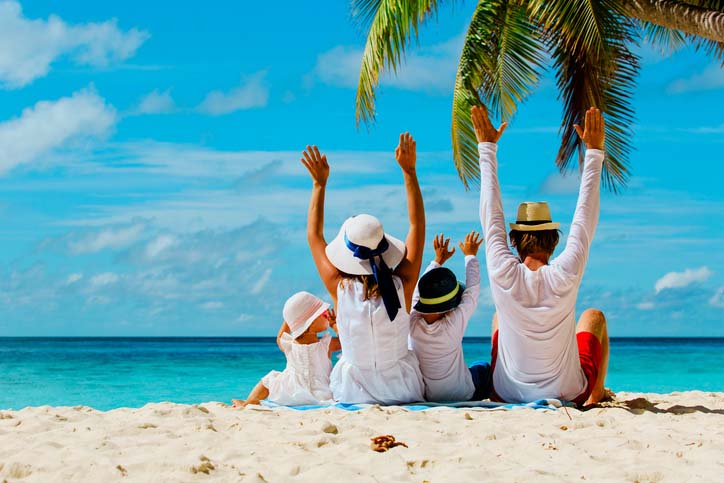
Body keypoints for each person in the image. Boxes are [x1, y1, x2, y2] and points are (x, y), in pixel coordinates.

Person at [473, 105, 610, 407]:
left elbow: (491, 216)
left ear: (513, 240)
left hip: (505, 394)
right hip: (568, 392)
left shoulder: (502, 270)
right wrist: (595, 155)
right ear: (554, 239)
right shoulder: (565, 271)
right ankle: (595, 395)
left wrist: (487, 148)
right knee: (593, 318)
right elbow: (584, 219)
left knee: (499, 317)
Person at [300, 134, 425, 404]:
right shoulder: (403, 282)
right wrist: (409, 172)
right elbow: (416, 227)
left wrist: (319, 184)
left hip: (352, 391)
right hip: (402, 389)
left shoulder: (338, 286)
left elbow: (314, 236)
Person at [409, 231, 492, 402]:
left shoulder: (412, 321)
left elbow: (419, 291)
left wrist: (437, 261)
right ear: (448, 307)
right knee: (483, 367)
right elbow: (473, 292)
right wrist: (470, 256)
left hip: (428, 395)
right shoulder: (452, 325)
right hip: (463, 394)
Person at [231, 291, 341, 407]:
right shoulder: (327, 344)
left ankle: (248, 402)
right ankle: (248, 403)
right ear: (310, 323)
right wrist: (335, 325)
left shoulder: (289, 345)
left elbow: (279, 337)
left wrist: (291, 320)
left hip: (292, 392)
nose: (328, 317)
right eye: (324, 314)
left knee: (270, 379)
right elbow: (345, 343)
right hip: (321, 393)